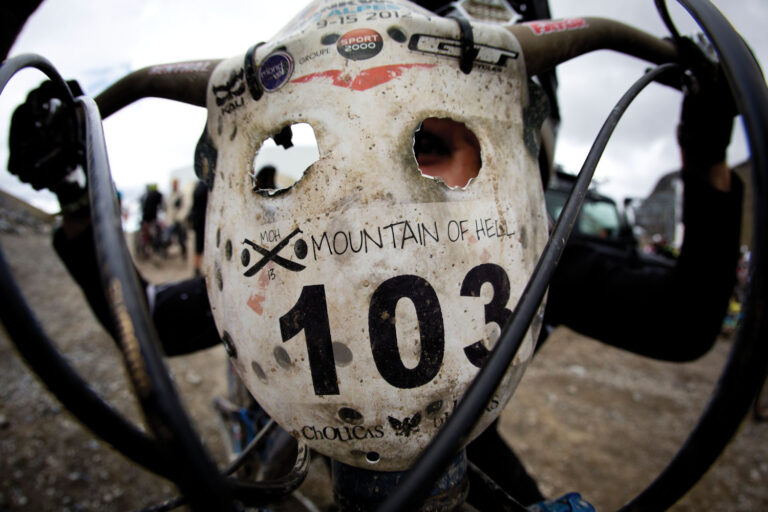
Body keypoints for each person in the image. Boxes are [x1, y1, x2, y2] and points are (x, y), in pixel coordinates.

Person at [4, 1, 743, 507]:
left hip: (465, 448)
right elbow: (154, 324)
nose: (382, 196)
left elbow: (681, 322)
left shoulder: (537, 254)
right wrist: (77, 203)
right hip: (301, 441)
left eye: (432, 142)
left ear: (518, 154)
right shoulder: (304, 259)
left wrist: (706, 154)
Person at [165, 178, 188, 259]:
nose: (174, 185)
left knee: (181, 239)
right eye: (173, 184)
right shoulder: (170, 195)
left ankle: (183, 254)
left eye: (175, 184)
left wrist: (180, 217)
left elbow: (184, 207)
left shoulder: (181, 195)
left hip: (179, 221)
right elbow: (168, 208)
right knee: (168, 237)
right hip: (171, 220)